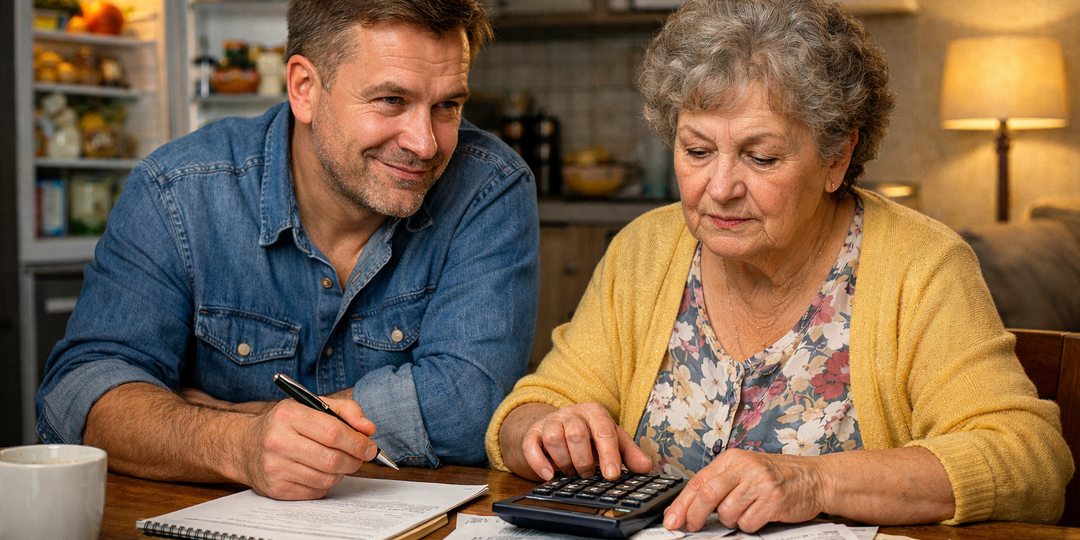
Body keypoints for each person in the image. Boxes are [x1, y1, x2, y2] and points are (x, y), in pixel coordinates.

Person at [486, 0, 1073, 532]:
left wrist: (815, 480)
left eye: (760, 156)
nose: (719, 188)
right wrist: (542, 430)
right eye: (695, 150)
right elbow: (532, 406)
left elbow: (1028, 457)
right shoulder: (644, 249)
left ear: (836, 157)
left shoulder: (921, 266)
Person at [37, 0, 540, 501]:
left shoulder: (489, 186)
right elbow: (79, 395)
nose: (425, 143)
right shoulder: (177, 191)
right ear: (304, 88)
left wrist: (243, 419)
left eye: (447, 105)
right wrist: (237, 444)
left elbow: (472, 403)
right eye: (391, 100)